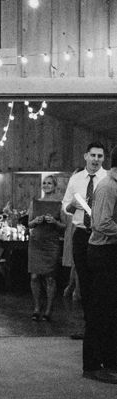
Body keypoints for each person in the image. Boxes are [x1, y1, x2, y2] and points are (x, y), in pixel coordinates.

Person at [62, 142, 107, 340]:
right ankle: (89, 328)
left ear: (104, 159)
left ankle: (101, 329)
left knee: (101, 284)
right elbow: (65, 208)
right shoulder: (76, 179)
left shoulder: (108, 179)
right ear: (85, 156)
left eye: (100, 156)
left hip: (102, 235)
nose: (96, 159)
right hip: (81, 234)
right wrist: (72, 205)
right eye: (93, 155)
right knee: (84, 283)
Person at [82, 145, 117, 384]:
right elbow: (100, 223)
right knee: (100, 311)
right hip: (103, 252)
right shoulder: (107, 186)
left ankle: (110, 360)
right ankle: (92, 365)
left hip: (111, 250)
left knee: (111, 312)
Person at [26, 175, 65, 321]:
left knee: (50, 277)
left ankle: (48, 309)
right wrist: (35, 221)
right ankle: (36, 307)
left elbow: (64, 227)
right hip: (36, 242)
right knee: (34, 276)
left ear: (55, 186)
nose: (46, 185)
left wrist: (55, 222)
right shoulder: (35, 203)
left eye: (49, 183)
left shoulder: (59, 204)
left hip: (51, 243)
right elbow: (29, 223)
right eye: (44, 183)